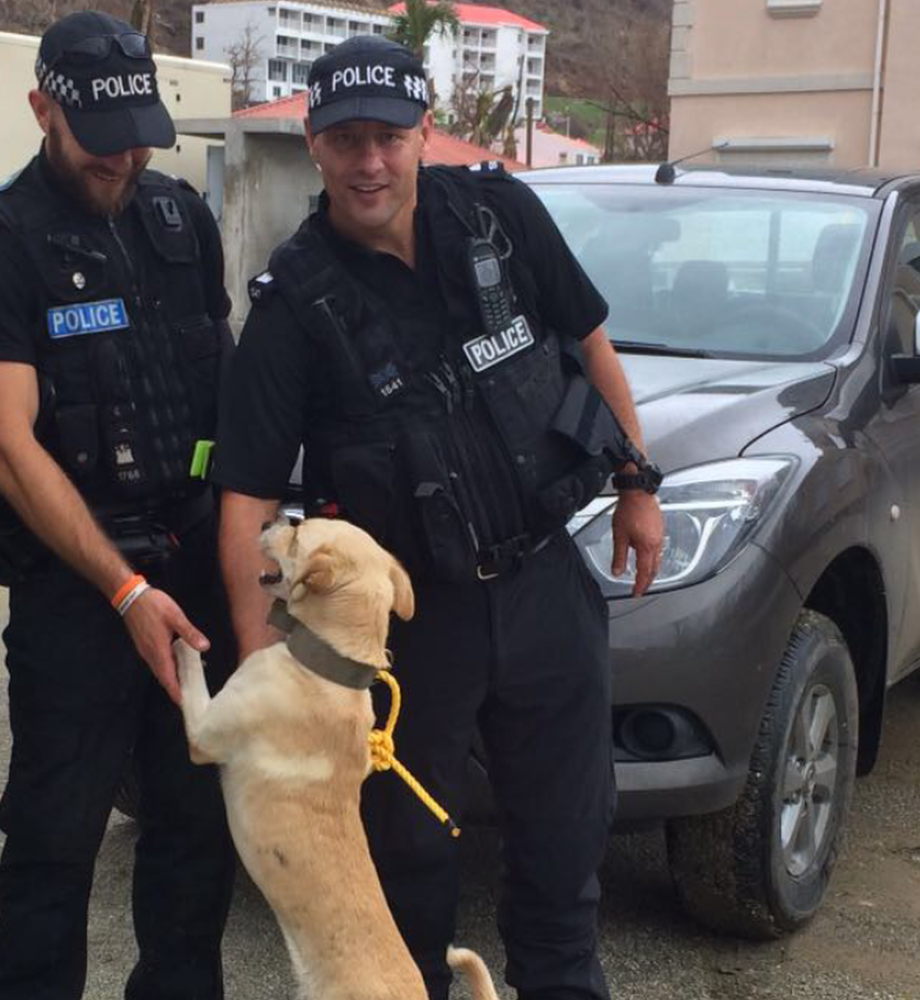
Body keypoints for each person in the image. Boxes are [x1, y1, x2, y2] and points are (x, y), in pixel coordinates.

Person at [215, 35, 663, 1000]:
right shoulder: (292, 304)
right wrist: (263, 672)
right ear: (315, 144)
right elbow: (246, 494)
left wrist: (639, 483)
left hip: (546, 585)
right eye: (346, 141)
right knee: (405, 864)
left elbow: (588, 339)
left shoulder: (501, 215)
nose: (369, 161)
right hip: (415, 630)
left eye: (388, 136)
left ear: (425, 133)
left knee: (563, 847)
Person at [0, 12, 236, 1000]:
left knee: (196, 837)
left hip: (192, 567)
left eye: (139, 137)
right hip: (79, 595)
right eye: (101, 140)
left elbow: (226, 392)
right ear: (43, 109)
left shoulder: (178, 220)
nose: (124, 159)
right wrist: (122, 590)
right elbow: (4, 440)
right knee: (55, 843)